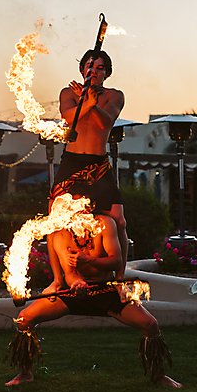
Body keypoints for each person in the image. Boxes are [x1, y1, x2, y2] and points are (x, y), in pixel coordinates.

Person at [5, 211, 182, 388]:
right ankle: (25, 373)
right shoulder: (60, 233)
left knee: (150, 324)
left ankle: (159, 375)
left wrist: (88, 259)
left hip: (106, 290)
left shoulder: (105, 224)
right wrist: (77, 283)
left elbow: (117, 262)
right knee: (25, 318)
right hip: (74, 292)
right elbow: (70, 274)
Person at [46, 49, 127, 292]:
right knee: (54, 221)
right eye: (89, 67)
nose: (94, 71)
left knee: (119, 221)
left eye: (100, 67)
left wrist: (92, 104)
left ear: (106, 73)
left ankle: (120, 278)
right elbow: (70, 118)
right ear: (82, 70)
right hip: (72, 162)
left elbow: (106, 123)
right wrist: (85, 103)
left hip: (98, 164)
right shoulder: (69, 92)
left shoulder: (115, 95)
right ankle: (59, 279)